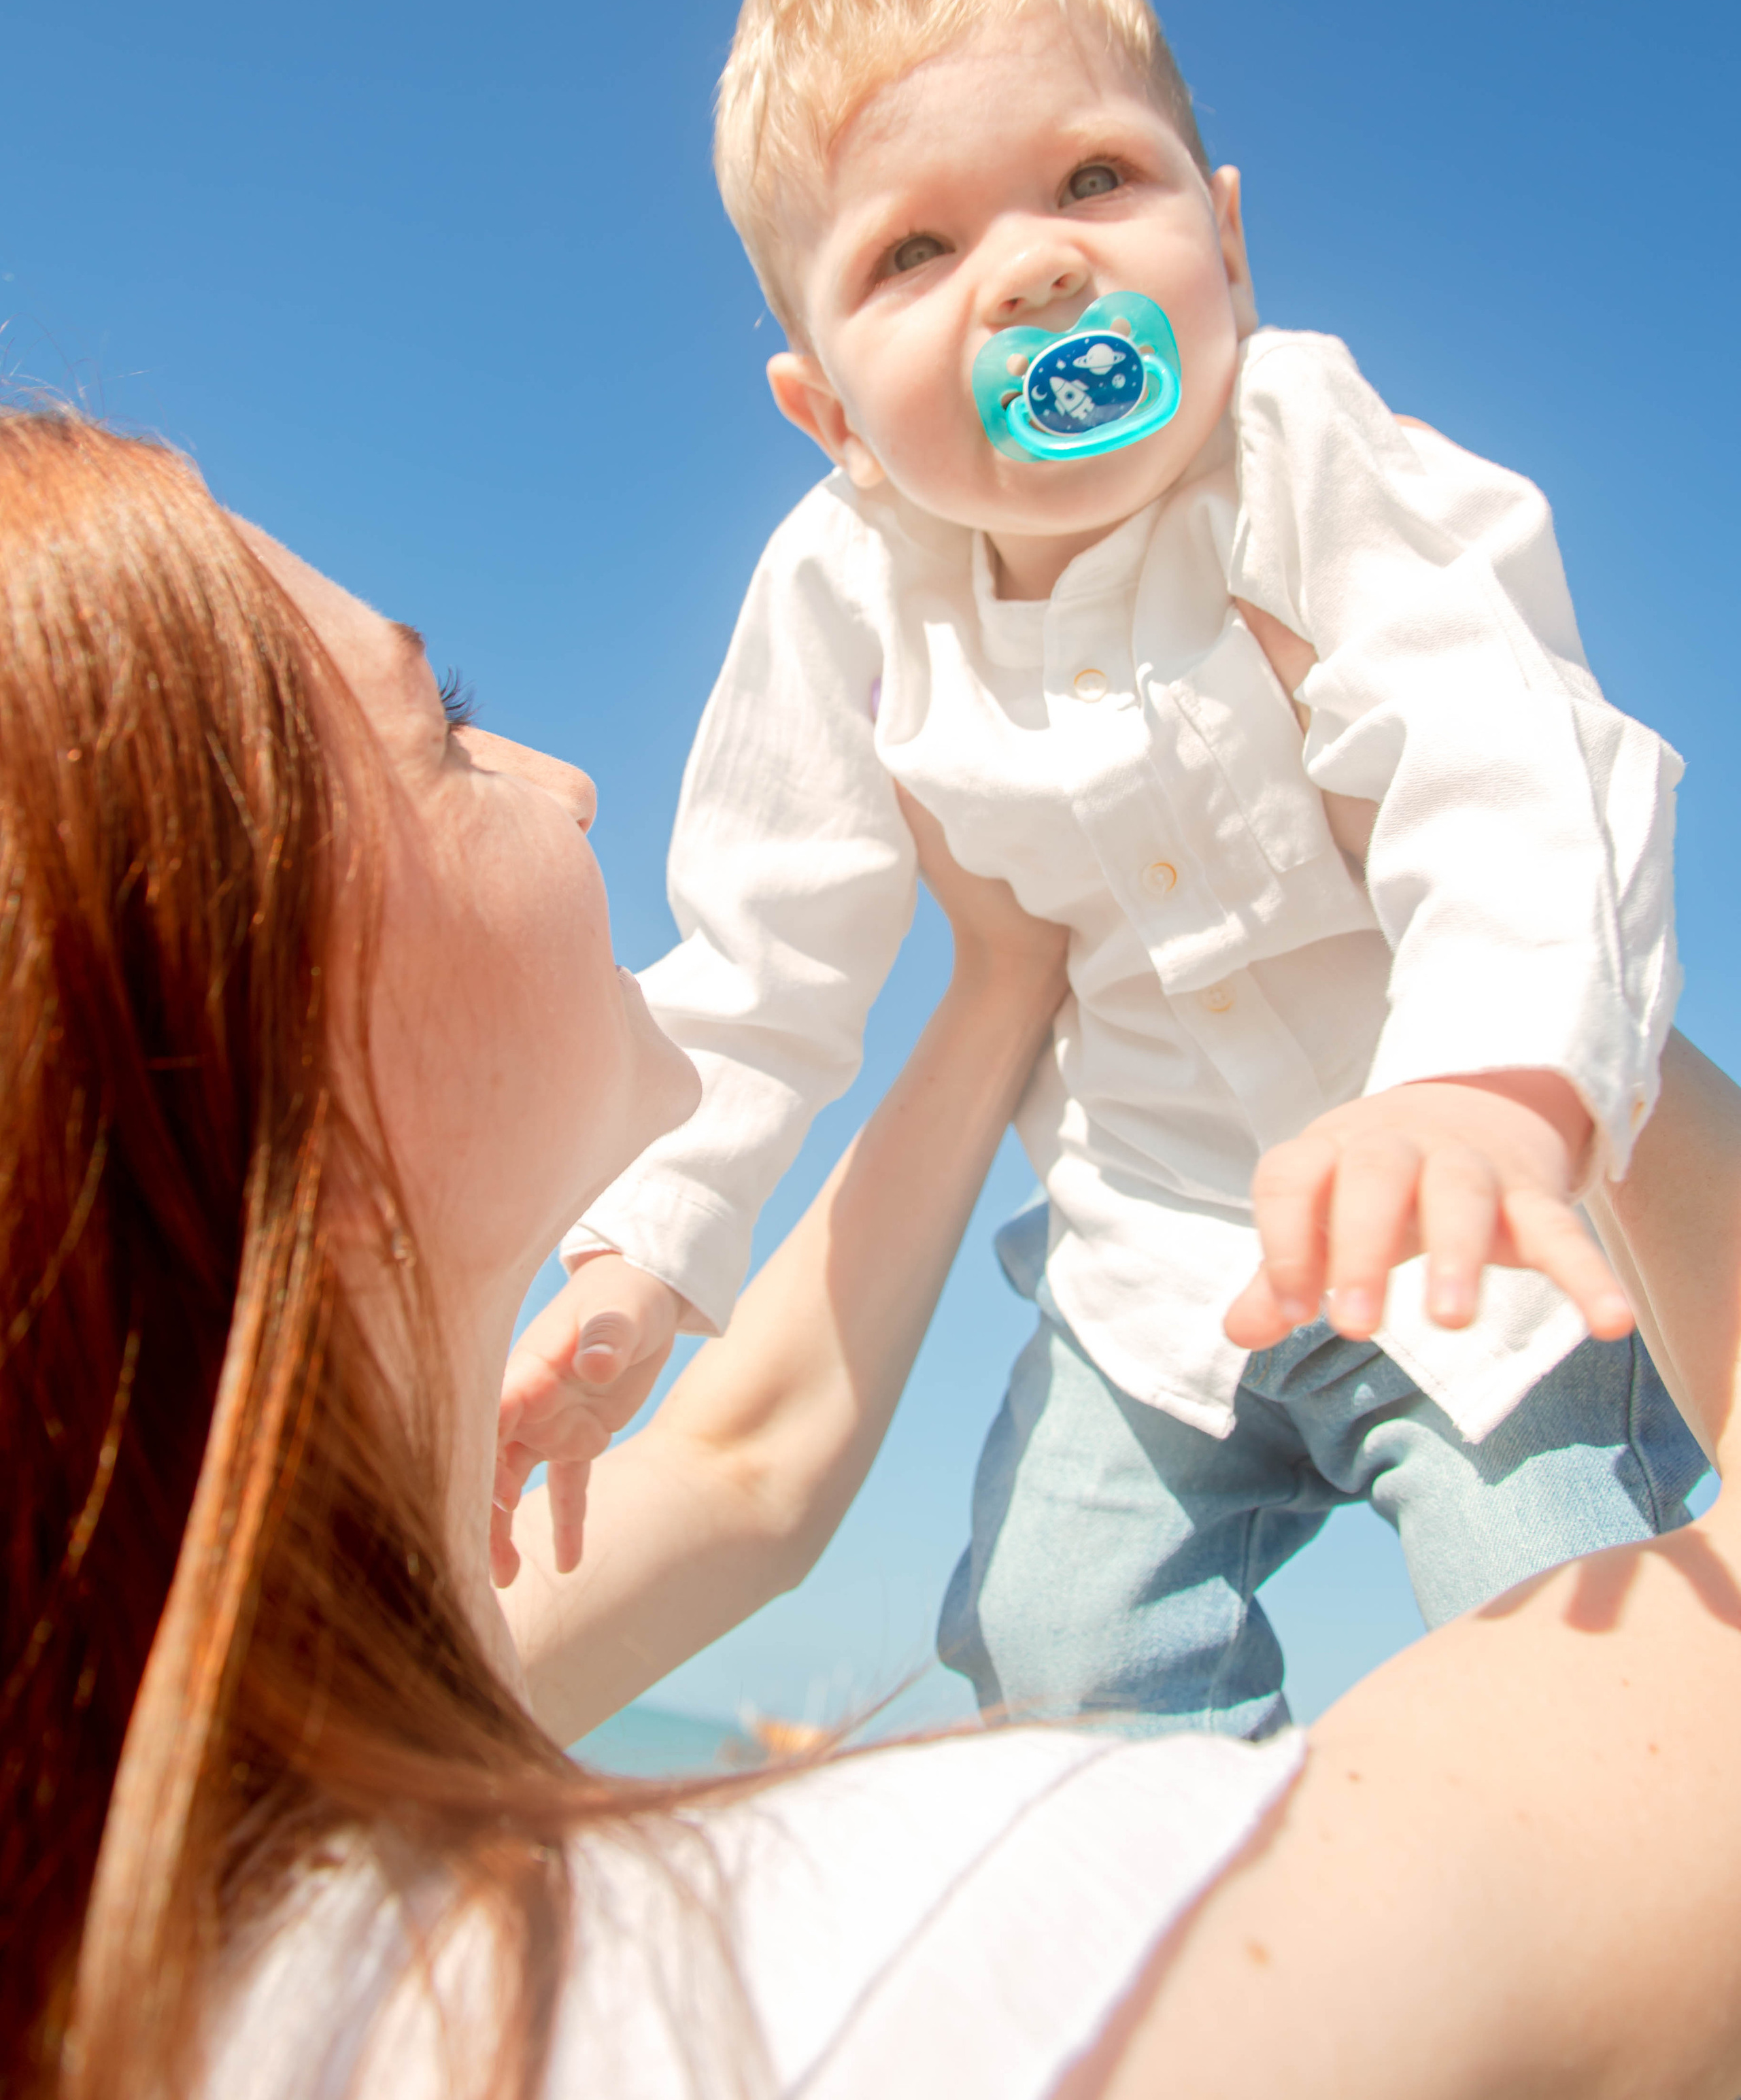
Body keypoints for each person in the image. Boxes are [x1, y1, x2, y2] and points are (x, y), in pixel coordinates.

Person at [7, 405, 1741, 2099]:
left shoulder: (137, 1808)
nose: (568, 774)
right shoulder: (919, 1964)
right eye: (444, 726)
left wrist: (1004, 977)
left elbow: (750, 1467)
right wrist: (1525, 1015)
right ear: (278, 1063)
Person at [501, 0, 1700, 1739]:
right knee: (1057, 1660)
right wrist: (638, 1255)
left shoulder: (1300, 450)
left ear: (1223, 244)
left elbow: (1507, 758)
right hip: (1142, 1258)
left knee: (1566, 1649)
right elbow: (764, 946)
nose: (1039, 271)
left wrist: (1487, 1081)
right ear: (827, 412)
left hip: (1450, 1212)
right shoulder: (843, 589)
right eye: (914, 254)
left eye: (1092, 185)